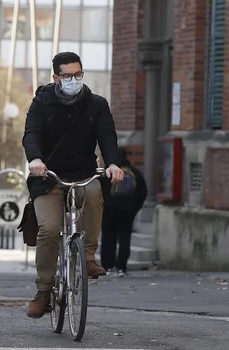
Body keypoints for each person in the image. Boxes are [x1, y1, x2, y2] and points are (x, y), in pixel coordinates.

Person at [22, 51, 124, 319]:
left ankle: (88, 257)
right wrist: (35, 159)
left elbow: (107, 136)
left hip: (83, 174)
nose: (73, 80)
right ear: (56, 78)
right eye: (67, 76)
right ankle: (43, 291)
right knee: (49, 229)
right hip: (47, 177)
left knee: (94, 195)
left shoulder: (96, 104)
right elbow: (31, 134)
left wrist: (113, 163)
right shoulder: (41, 103)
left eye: (78, 75)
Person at [100, 148, 148, 277]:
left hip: (108, 211)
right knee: (124, 239)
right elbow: (143, 192)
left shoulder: (107, 173)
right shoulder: (134, 172)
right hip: (127, 212)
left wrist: (102, 207)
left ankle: (107, 266)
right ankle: (121, 267)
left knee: (107, 238)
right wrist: (134, 208)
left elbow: (99, 192)